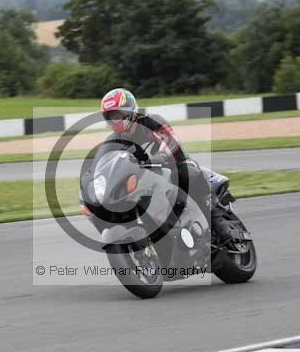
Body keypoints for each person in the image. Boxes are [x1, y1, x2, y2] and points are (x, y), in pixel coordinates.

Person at [99, 88, 232, 243]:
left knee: (187, 174)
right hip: (145, 176)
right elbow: (102, 163)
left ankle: (218, 222)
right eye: (111, 116)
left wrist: (161, 156)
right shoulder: (112, 140)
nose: (115, 120)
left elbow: (171, 141)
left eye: (118, 114)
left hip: (174, 163)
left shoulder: (151, 121)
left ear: (130, 110)